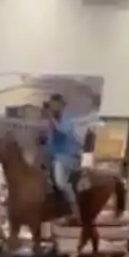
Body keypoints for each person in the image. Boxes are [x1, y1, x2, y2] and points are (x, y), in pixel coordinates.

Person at [44, 93, 83, 221]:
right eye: (51, 105)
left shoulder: (67, 119)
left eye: (55, 105)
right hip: (55, 155)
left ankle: (74, 208)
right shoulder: (52, 120)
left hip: (67, 156)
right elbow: (51, 139)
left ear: (61, 106)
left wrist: (51, 119)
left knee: (61, 182)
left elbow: (62, 132)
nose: (52, 108)